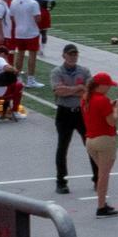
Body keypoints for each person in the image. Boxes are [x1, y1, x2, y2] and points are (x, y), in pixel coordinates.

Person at [49, 45, 90, 195]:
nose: (73, 57)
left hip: (81, 113)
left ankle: (98, 178)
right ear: (64, 56)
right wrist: (78, 88)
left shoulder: (84, 71)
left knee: (91, 145)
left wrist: (69, 90)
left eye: (75, 54)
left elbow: (88, 92)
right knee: (62, 148)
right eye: (70, 54)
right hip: (64, 113)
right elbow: (58, 91)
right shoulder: (56, 71)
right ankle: (61, 182)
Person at [85, 73, 118, 216]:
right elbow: (112, 121)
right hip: (104, 140)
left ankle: (102, 203)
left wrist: (109, 106)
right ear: (102, 85)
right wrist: (116, 109)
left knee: (102, 173)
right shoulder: (103, 100)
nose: (110, 88)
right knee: (104, 175)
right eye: (109, 85)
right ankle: (101, 206)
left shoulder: (86, 97)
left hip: (90, 141)